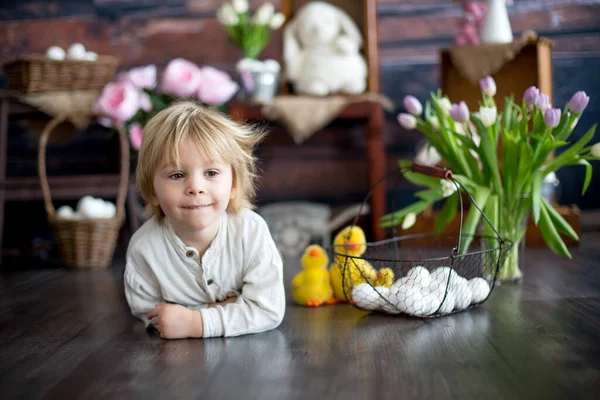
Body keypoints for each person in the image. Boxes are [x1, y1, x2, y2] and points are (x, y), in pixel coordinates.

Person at [124, 101, 285, 339]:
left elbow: (268, 309)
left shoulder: (251, 231)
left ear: (233, 184)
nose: (196, 188)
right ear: (153, 191)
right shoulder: (144, 250)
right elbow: (158, 318)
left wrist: (195, 321)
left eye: (211, 173)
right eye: (177, 175)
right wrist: (232, 306)